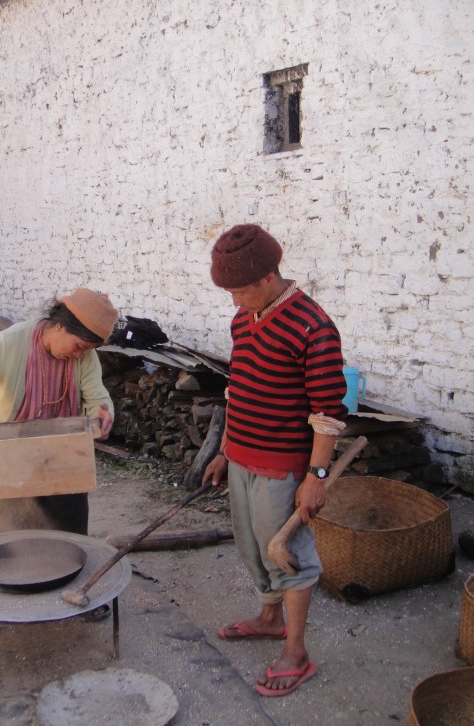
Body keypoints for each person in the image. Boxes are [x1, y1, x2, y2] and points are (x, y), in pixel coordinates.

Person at [202, 224, 347, 697]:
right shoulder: (244, 320)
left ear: (268, 277)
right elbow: (239, 389)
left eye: (239, 290)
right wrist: (225, 452)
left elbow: (326, 414)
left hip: (283, 469)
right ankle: (269, 619)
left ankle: (297, 653)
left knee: (287, 556)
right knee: (250, 547)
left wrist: (315, 477)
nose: (233, 301)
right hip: (242, 460)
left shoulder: (313, 326)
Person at [0, 287, 118, 538]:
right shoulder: (10, 343)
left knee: (68, 543)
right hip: (8, 459)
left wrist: (102, 415)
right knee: (1, 545)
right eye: (79, 346)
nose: (79, 355)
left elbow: (98, 399)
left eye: (86, 350)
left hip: (62, 460)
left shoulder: (85, 358)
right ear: (60, 326)